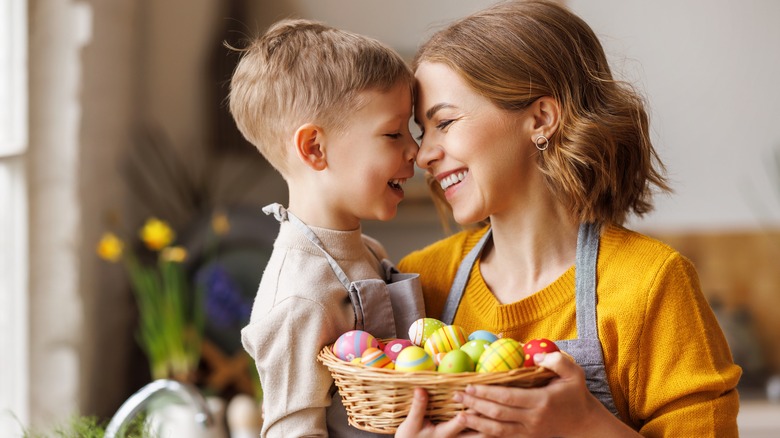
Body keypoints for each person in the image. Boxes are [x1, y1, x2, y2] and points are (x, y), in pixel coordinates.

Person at [395, 1, 742, 436]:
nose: (424, 154)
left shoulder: (650, 285)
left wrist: (585, 425)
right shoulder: (421, 279)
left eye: (444, 122)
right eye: (422, 132)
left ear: (541, 119)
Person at [229, 18, 424, 437]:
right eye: (393, 133)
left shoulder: (367, 250)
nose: (415, 150)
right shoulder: (300, 295)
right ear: (315, 148)